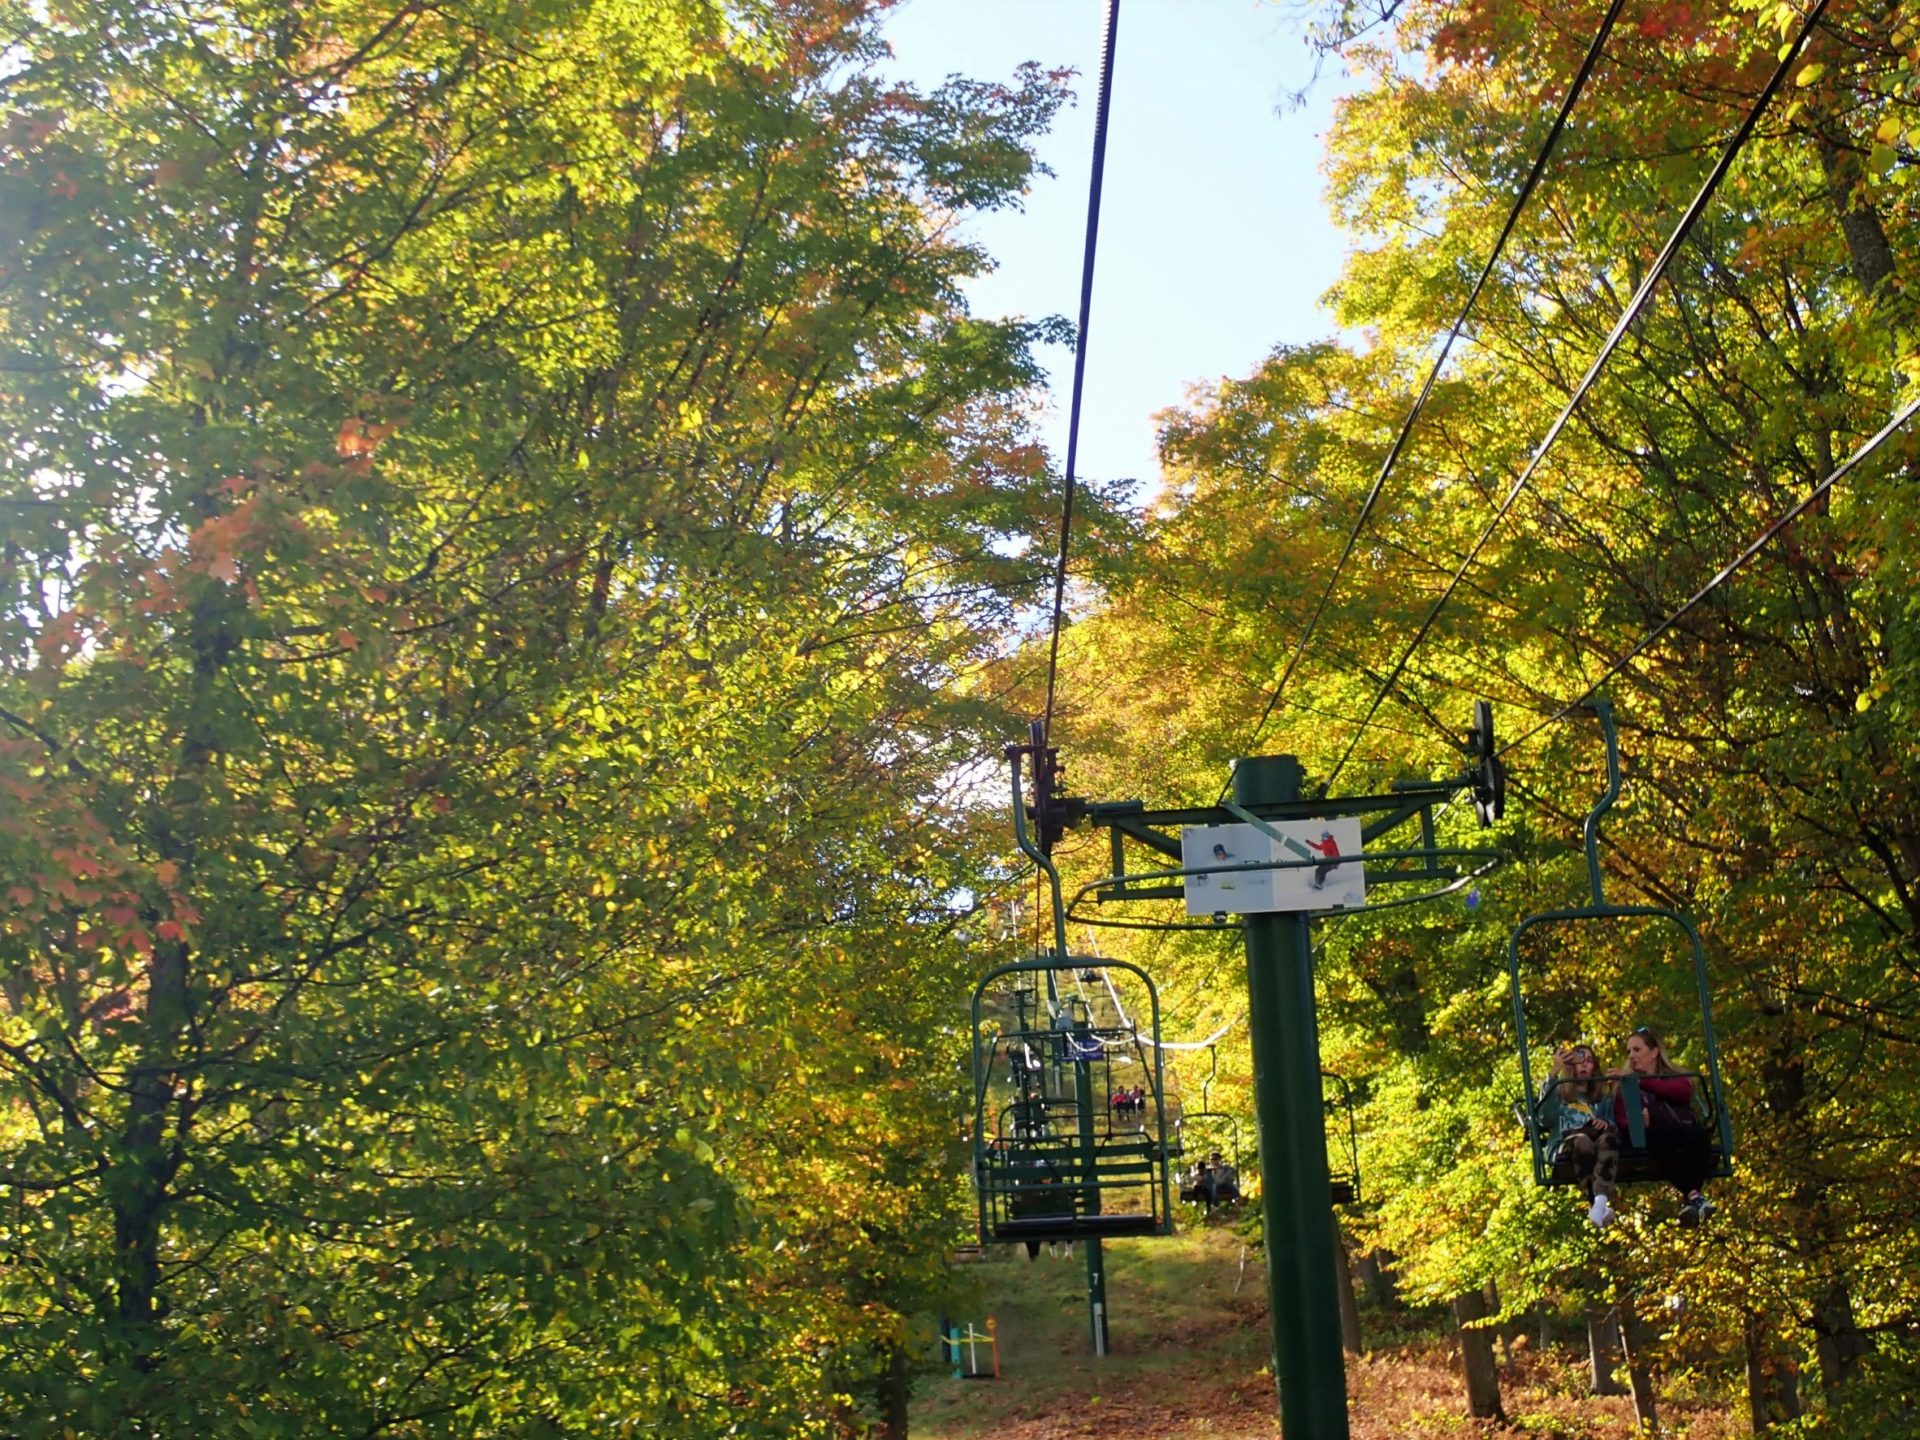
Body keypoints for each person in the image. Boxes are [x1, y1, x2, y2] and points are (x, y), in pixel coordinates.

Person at [1614, 1025, 1716, 1225]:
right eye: (1629, 1052)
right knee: (1660, 1137)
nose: (1631, 1056)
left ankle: (1692, 1197)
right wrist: (1636, 1121)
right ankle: (1694, 1195)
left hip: (1682, 1132)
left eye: (1637, 1049)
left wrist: (1640, 1082)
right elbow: (1621, 1119)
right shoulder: (1623, 1087)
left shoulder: (1672, 1077)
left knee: (1700, 1136)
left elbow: (1682, 1092)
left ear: (1654, 1052)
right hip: (1653, 1138)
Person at [1535, 1043, 1620, 1227]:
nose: (1583, 1065)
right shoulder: (1558, 1094)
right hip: (1565, 1145)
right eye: (1579, 1060)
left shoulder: (1602, 1101)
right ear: (1570, 1065)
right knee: (1582, 1141)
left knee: (1608, 1139)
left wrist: (1606, 1124)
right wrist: (1554, 1072)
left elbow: (1615, 1126)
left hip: (1597, 1145)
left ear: (1594, 1068)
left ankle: (1598, 1205)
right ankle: (1597, 1203)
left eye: (1589, 1061)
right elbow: (1544, 1117)